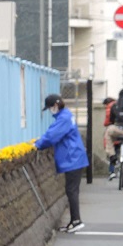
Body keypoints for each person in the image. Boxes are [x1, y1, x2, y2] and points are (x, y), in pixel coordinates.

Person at [34, 94, 89, 232]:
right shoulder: (65, 115)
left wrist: (38, 144)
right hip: (75, 156)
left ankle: (76, 220)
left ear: (56, 105)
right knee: (72, 190)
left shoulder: (63, 118)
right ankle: (74, 221)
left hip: (72, 158)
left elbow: (52, 135)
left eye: (50, 107)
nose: (50, 110)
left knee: (71, 190)